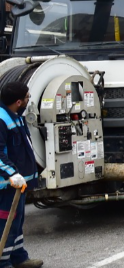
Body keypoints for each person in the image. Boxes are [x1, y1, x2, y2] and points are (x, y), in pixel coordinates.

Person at [0, 83, 43, 268]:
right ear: (18, 101)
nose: (28, 100)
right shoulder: (2, 119)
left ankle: (18, 257)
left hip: (18, 182)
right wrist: (12, 174)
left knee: (16, 222)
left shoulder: (15, 116)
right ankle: (3, 262)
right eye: (27, 97)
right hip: (7, 183)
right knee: (5, 224)